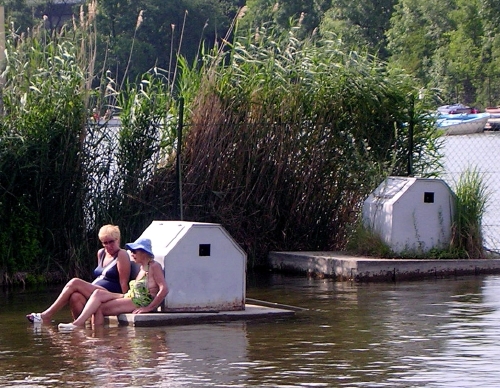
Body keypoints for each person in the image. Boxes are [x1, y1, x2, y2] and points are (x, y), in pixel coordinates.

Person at [26, 224, 132, 323]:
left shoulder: (121, 254)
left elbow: (123, 282)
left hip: (109, 293)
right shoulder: (101, 253)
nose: (108, 246)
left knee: (74, 282)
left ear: (118, 240)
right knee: (75, 297)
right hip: (95, 291)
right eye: (105, 243)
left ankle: (47, 315)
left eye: (111, 242)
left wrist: (126, 300)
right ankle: (80, 330)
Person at [58, 237, 168, 330]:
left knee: (100, 308)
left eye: (134, 251)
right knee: (98, 293)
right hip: (131, 296)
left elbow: (164, 289)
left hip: (140, 301)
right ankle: (80, 325)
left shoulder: (154, 266)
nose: (132, 254)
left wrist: (149, 308)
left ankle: (89, 334)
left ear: (144, 253)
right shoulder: (141, 267)